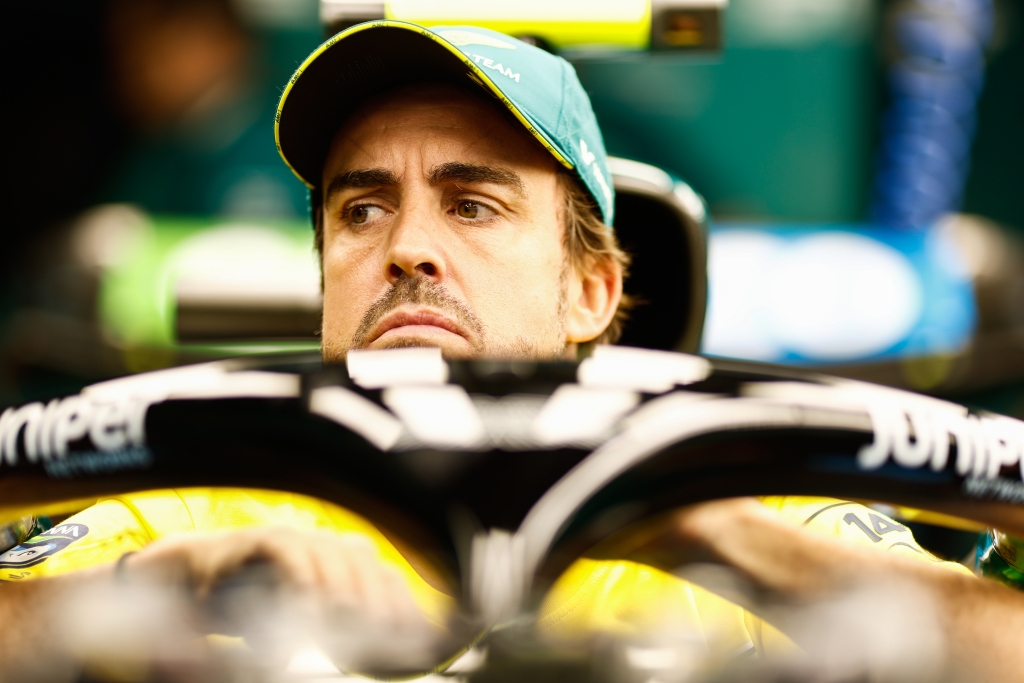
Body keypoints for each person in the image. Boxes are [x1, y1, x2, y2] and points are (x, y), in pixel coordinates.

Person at [2, 21, 1024, 679]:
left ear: (591, 290)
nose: (406, 247)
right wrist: (182, 578)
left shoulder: (748, 511)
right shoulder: (200, 503)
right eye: (362, 209)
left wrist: (734, 543)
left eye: (472, 204)